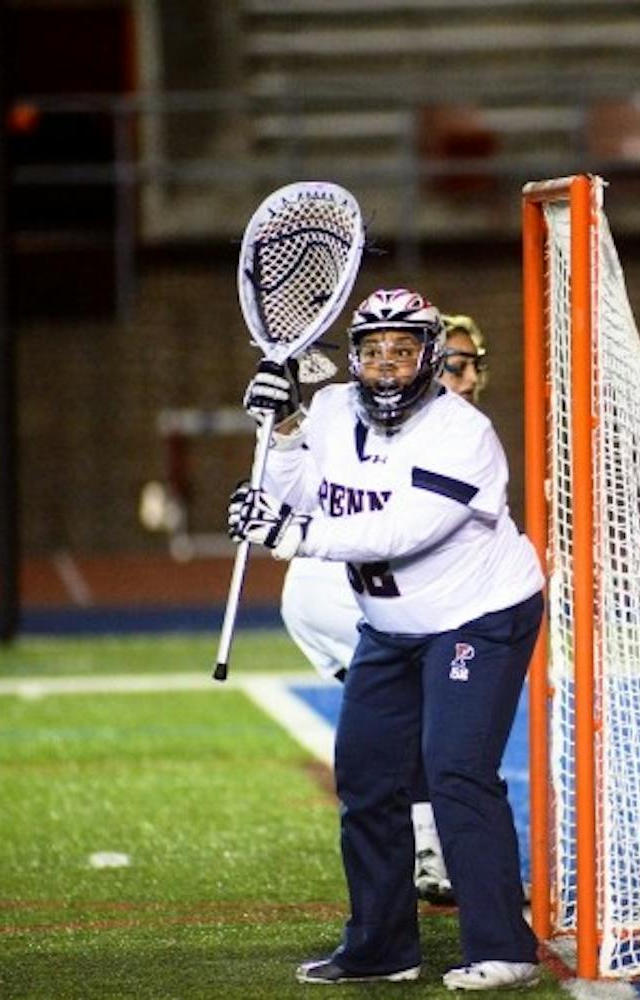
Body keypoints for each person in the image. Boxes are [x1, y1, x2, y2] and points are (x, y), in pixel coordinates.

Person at [228, 288, 544, 991]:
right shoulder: (336, 409)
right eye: (372, 351)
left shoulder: (463, 433)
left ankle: (505, 948)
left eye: (403, 350)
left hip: (479, 616)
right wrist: (281, 433)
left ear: (429, 356)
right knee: (368, 778)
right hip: (391, 627)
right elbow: (303, 492)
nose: (387, 366)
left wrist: (294, 537)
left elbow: (401, 531)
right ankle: (381, 947)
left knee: (455, 769)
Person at [272, 311, 497, 907]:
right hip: (347, 590)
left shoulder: (444, 427)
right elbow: (383, 525)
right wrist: (282, 423)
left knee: (402, 738)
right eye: (454, 363)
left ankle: (405, 880)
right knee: (431, 732)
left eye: (472, 363)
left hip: (354, 588)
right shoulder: (389, 420)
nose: (467, 376)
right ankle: (429, 853)